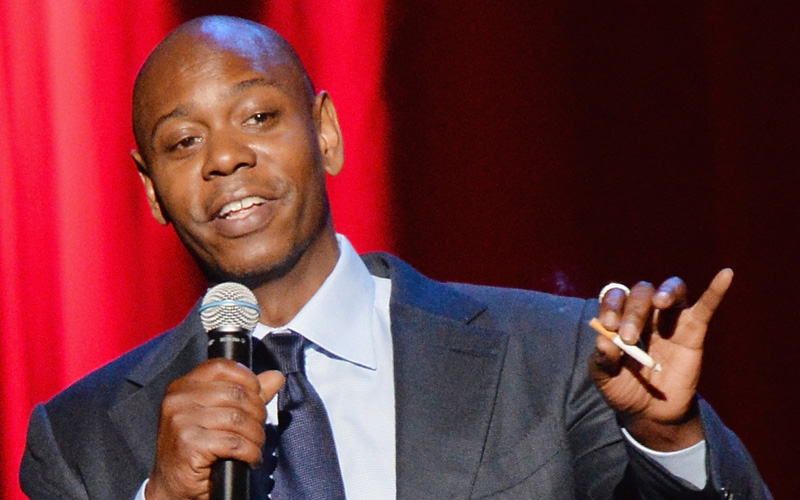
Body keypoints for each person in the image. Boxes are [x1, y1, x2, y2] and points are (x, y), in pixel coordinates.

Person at [19, 15, 771, 500]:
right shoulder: (80, 439)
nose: (225, 158)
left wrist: (668, 441)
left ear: (326, 133)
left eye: (259, 116)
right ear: (151, 190)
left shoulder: (555, 355)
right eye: (184, 142)